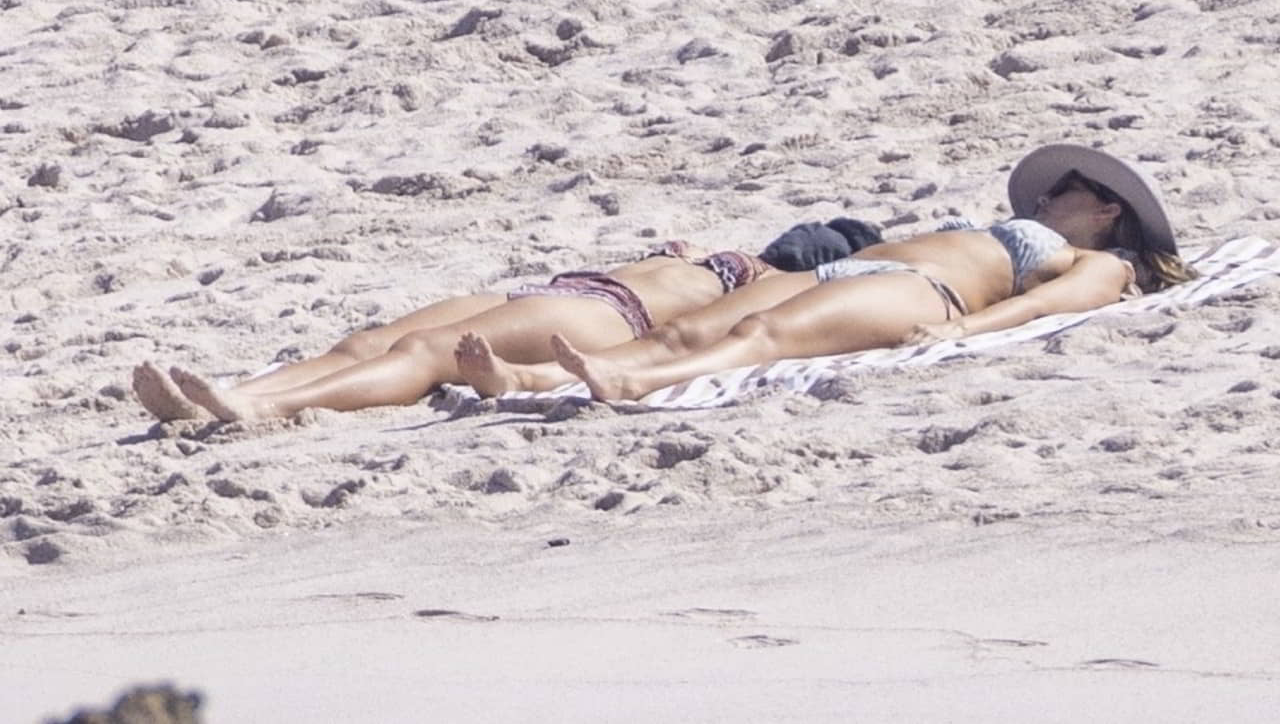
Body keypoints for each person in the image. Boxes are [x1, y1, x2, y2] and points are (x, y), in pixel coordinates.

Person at [533, 144, 1198, 402]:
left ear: (1108, 209)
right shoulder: (1038, 231)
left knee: (762, 332)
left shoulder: (1104, 264)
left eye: (1066, 187)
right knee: (682, 333)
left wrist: (962, 330)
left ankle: (635, 381)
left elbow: (1042, 307)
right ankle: (535, 377)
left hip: (922, 293)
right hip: (851, 268)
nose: (1047, 195)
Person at [132, 220, 880, 422]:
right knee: (370, 340)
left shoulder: (780, 283)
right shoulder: (718, 252)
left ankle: (262, 408)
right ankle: (231, 391)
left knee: (427, 351)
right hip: (564, 289)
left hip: (607, 314)